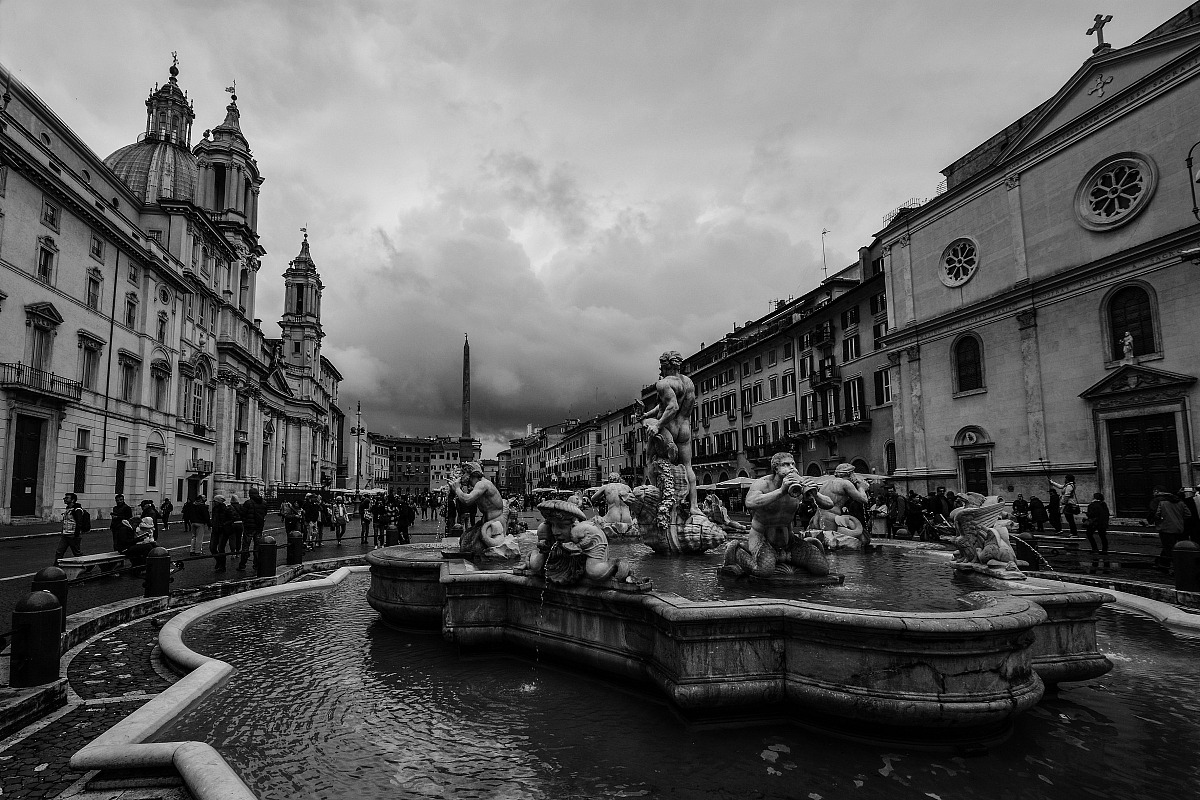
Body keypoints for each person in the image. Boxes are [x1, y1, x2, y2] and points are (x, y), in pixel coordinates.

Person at [721, 452, 829, 578]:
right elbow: (750, 502)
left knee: (822, 569)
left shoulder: (799, 484)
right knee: (763, 571)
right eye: (786, 464)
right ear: (775, 468)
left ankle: (804, 547)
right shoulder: (763, 484)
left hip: (789, 541)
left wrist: (815, 494)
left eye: (793, 464)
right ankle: (738, 550)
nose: (792, 467)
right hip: (762, 538)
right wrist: (781, 491)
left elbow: (829, 504)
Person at [639, 351, 699, 513]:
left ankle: (657, 500)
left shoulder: (663, 384)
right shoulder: (688, 382)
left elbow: (672, 407)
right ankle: (694, 506)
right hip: (684, 429)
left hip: (669, 427)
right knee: (688, 466)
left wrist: (657, 425)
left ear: (665, 367)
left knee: (651, 459)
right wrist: (647, 414)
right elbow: (665, 405)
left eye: (661, 367)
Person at [449, 461, 517, 559]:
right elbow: (465, 501)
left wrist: (457, 489)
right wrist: (454, 490)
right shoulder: (476, 486)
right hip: (487, 522)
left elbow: (467, 500)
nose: (462, 476)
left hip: (495, 524)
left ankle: (482, 565)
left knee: (474, 547)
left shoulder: (482, 484)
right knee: (464, 538)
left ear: (471, 474)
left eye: (463, 473)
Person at [1148, 485, 1191, 569]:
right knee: (1173, 546)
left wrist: (1155, 521)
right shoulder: (1180, 502)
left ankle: (1176, 567)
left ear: (1157, 491)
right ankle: (1162, 563)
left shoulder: (1161, 502)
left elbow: (1157, 514)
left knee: (1168, 547)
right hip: (1179, 527)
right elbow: (1188, 514)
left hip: (1165, 528)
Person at [590, 473, 637, 537]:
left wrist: (604, 497)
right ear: (619, 479)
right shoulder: (627, 487)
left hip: (613, 517)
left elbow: (593, 498)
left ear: (609, 479)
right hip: (627, 518)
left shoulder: (605, 487)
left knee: (595, 522)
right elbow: (634, 501)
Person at [241, 487, 268, 571]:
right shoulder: (264, 503)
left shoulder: (248, 503)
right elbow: (265, 513)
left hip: (249, 527)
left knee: (246, 546)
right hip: (259, 527)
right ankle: (256, 564)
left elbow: (243, 514)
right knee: (257, 546)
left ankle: (242, 564)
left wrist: (245, 521)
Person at [55, 492, 87, 562]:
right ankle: (56, 568)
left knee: (77, 553)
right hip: (65, 535)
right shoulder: (68, 509)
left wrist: (76, 535)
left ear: (72, 500)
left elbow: (79, 523)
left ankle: (87, 565)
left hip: (73, 535)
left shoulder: (77, 510)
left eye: (67, 498)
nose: (64, 499)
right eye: (64, 498)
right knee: (59, 552)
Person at [210, 494, 234, 572]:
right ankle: (219, 561)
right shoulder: (214, 509)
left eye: (215, 501)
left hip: (223, 531)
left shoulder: (226, 509)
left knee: (221, 548)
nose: (214, 502)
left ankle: (222, 566)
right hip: (215, 530)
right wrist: (212, 523)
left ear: (218, 502)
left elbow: (231, 519)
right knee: (212, 548)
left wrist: (224, 524)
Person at [227, 494, 246, 568]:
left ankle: (233, 553)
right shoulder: (241, 507)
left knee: (232, 538)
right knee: (238, 538)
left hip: (232, 524)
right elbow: (244, 514)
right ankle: (238, 552)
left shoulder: (229, 507)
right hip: (240, 523)